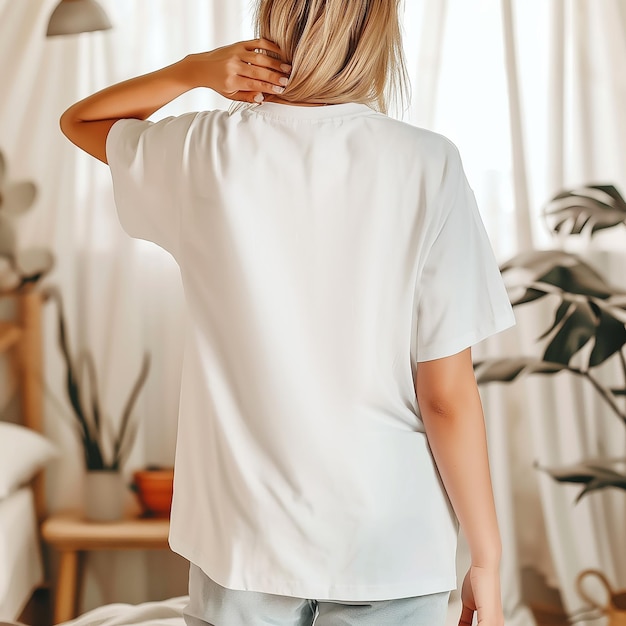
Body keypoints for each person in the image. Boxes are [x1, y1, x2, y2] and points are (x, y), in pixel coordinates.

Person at [60, 1, 515, 624]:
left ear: (272, 21)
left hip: (244, 539)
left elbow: (83, 119)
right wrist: (485, 560)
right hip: (389, 539)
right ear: (378, 33)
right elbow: (445, 395)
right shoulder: (427, 163)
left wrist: (194, 70)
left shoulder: (207, 149)